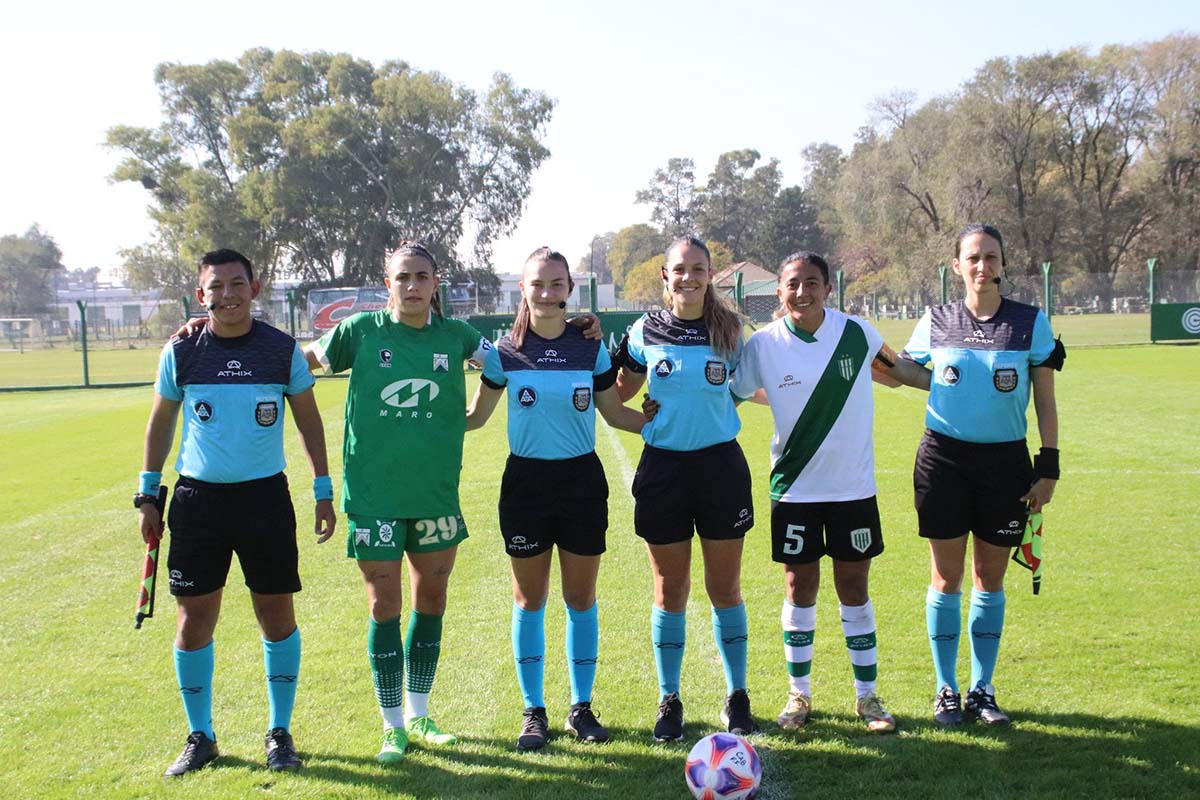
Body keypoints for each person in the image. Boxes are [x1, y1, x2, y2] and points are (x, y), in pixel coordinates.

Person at [137, 248, 336, 777]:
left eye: (236, 284)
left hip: (264, 501)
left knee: (276, 616)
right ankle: (199, 736)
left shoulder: (281, 351)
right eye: (215, 287)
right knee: (193, 617)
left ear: (254, 288)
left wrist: (322, 488)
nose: (226, 295)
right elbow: (159, 425)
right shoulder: (181, 350)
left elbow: (310, 424)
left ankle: (279, 732)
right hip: (198, 503)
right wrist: (148, 494)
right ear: (200, 294)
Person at [729, 251, 930, 734]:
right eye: (793, 284)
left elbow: (900, 372)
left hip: (853, 490)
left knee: (854, 590)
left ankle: (868, 698)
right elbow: (735, 393)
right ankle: (799, 696)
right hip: (795, 489)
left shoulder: (856, 333)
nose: (803, 292)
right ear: (778, 291)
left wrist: (960, 380)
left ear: (827, 288)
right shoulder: (763, 346)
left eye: (812, 283)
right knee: (799, 591)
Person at [306, 241, 491, 763]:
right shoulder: (359, 332)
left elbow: (507, 364)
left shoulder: (458, 337)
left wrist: (475, 413)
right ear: (387, 283)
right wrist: (225, 339)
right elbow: (305, 362)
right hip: (374, 496)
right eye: (403, 276)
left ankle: (420, 713)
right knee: (383, 606)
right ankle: (392, 726)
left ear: (437, 284)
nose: (412, 286)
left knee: (432, 601)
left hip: (435, 494)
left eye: (422, 276)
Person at [465, 247, 649, 750]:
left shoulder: (591, 349)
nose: (546, 293)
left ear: (570, 289)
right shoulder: (505, 352)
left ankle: (581, 708)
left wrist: (668, 418)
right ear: (522, 290)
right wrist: (417, 419)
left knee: (580, 599)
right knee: (529, 600)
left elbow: (616, 415)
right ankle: (533, 712)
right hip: (525, 485)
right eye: (536, 284)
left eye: (556, 284)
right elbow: (475, 418)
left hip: (581, 484)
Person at [901, 223, 1063, 726]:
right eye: (972, 258)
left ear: (1003, 264)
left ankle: (982, 688)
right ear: (956, 266)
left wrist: (1048, 466)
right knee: (946, 578)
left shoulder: (1029, 323)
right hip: (943, 462)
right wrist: (866, 354)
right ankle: (946, 689)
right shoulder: (935, 319)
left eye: (990, 257)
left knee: (988, 578)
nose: (982, 267)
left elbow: (1045, 399)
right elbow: (911, 371)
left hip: (1006, 465)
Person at [610, 235, 756, 741]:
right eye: (680, 270)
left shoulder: (730, 331)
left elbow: (744, 391)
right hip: (664, 471)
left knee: (724, 589)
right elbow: (620, 390)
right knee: (670, 590)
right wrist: (640, 416)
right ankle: (669, 697)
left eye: (698, 269)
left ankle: (737, 694)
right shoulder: (643, 330)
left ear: (709, 275)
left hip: (720, 469)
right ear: (665, 278)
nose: (689, 278)